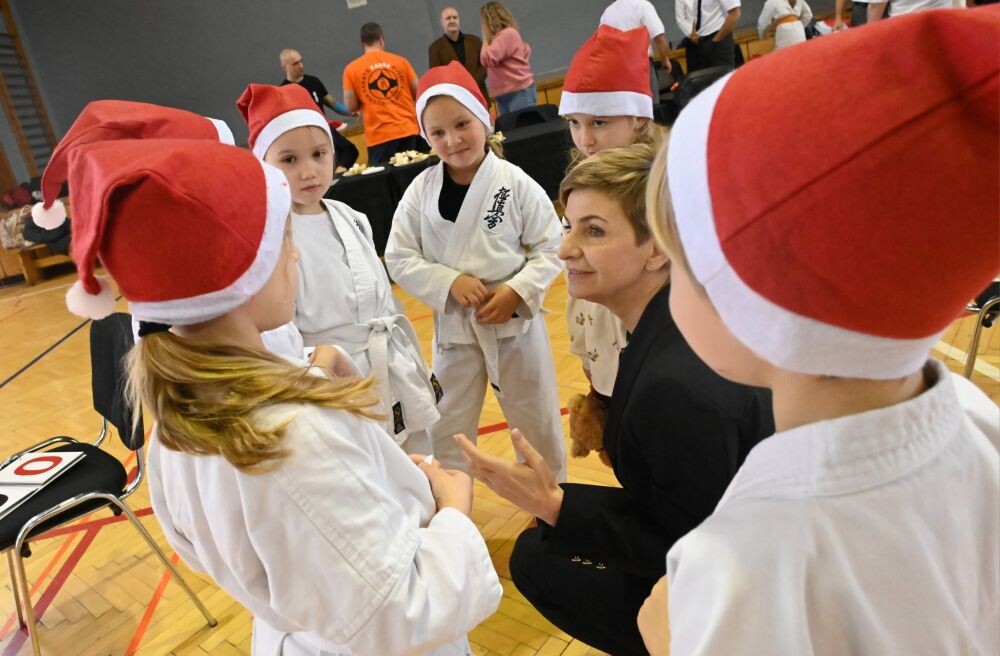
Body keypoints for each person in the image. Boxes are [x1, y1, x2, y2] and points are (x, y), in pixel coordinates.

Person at [53, 108, 502, 654]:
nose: (293, 253)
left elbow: (238, 540)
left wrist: (362, 452)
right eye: (281, 241)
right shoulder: (290, 438)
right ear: (245, 271)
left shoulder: (176, 422)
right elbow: (403, 610)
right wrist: (452, 507)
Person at [637, 7, 999, 654]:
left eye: (681, 270)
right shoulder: (975, 418)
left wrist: (673, 644)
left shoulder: (746, 560)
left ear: (753, 307)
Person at [456, 143, 774, 656]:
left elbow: (700, 543)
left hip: (753, 593)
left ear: (659, 248)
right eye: (569, 228)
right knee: (539, 550)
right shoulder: (681, 324)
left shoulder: (675, 383)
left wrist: (555, 503)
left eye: (594, 231)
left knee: (540, 562)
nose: (564, 250)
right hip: (749, 546)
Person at [385, 62, 567, 481]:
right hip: (455, 330)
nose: (452, 140)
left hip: (515, 327)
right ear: (426, 137)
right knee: (445, 425)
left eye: (462, 124)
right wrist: (448, 282)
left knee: (536, 421)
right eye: (437, 133)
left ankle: (552, 511)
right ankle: (452, 513)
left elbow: (552, 245)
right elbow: (398, 256)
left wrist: (518, 291)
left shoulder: (514, 183)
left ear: (483, 116)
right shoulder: (420, 190)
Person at [237, 83, 441, 454]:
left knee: (419, 459)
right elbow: (276, 331)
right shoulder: (270, 240)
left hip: (388, 360)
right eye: (289, 160)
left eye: (318, 154)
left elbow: (383, 300)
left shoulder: (351, 217)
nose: (309, 171)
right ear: (262, 166)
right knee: (370, 470)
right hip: (332, 378)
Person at [559, 26, 667, 438]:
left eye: (600, 122)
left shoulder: (665, 181)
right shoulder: (584, 178)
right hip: (603, 336)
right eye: (574, 123)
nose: (585, 140)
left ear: (638, 117)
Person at [342, 22, 426, 165]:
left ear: (363, 44)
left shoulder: (351, 69)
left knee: (385, 184)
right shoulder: (401, 61)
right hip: (408, 130)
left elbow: (350, 105)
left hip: (379, 137)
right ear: (381, 39)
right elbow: (418, 92)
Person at [278, 48, 360, 171]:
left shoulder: (313, 81)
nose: (300, 66)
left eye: (301, 61)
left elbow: (333, 104)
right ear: (285, 67)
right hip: (306, 136)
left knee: (350, 150)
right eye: (295, 63)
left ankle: (339, 172)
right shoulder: (283, 91)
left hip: (324, 128)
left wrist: (350, 111)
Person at [599, 0, 672, 99]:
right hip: (640, 66)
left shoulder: (607, 13)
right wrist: (665, 59)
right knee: (649, 107)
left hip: (616, 70)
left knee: (627, 109)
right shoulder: (642, 5)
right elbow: (659, 38)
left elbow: (602, 44)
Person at [479, 2, 536, 116]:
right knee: (511, 131)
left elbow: (487, 59)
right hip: (505, 95)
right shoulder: (500, 38)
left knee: (522, 129)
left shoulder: (507, 34)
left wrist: (485, 38)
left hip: (518, 93)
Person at [429, 6, 489, 102]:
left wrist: (470, 83)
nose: (452, 20)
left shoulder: (475, 41)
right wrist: (460, 85)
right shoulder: (435, 48)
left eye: (455, 17)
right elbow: (437, 75)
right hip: (456, 100)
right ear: (441, 22)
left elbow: (485, 66)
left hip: (479, 95)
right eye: (448, 18)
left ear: (459, 20)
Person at [684, 0, 741, 70]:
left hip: (718, 41)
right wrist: (693, 32)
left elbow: (735, 14)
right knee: (706, 79)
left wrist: (716, 40)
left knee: (721, 78)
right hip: (701, 43)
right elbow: (699, 14)